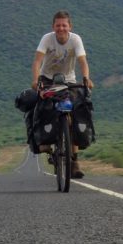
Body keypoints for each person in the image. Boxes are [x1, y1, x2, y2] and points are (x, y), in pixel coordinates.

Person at [30, 10, 94, 178]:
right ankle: (43, 141)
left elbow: (82, 61)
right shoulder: (47, 38)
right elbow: (37, 61)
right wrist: (36, 80)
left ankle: (74, 161)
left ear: (70, 26)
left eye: (64, 25)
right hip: (48, 78)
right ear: (53, 27)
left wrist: (86, 78)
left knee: (77, 110)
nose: (61, 28)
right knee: (43, 106)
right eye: (58, 25)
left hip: (69, 80)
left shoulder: (75, 39)